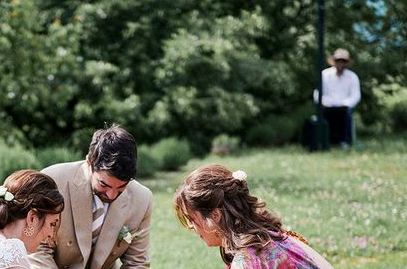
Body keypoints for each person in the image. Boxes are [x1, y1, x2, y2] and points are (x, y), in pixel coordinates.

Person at [29, 125, 152, 269]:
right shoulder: (52, 180)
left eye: (121, 187)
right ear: (89, 163)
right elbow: (36, 248)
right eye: (104, 184)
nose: (111, 195)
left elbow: (137, 263)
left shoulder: (142, 198)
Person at [174, 164, 334, 269]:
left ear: (215, 215)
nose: (190, 226)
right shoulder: (277, 236)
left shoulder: (246, 261)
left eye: (192, 219)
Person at [315, 48, 361, 147]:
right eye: (338, 61)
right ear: (334, 62)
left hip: (344, 107)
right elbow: (317, 93)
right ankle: (324, 141)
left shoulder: (352, 77)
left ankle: (345, 141)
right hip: (327, 106)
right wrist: (323, 102)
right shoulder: (325, 75)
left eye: (343, 61)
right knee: (322, 115)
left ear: (346, 63)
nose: (340, 64)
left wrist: (346, 104)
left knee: (347, 115)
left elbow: (356, 95)